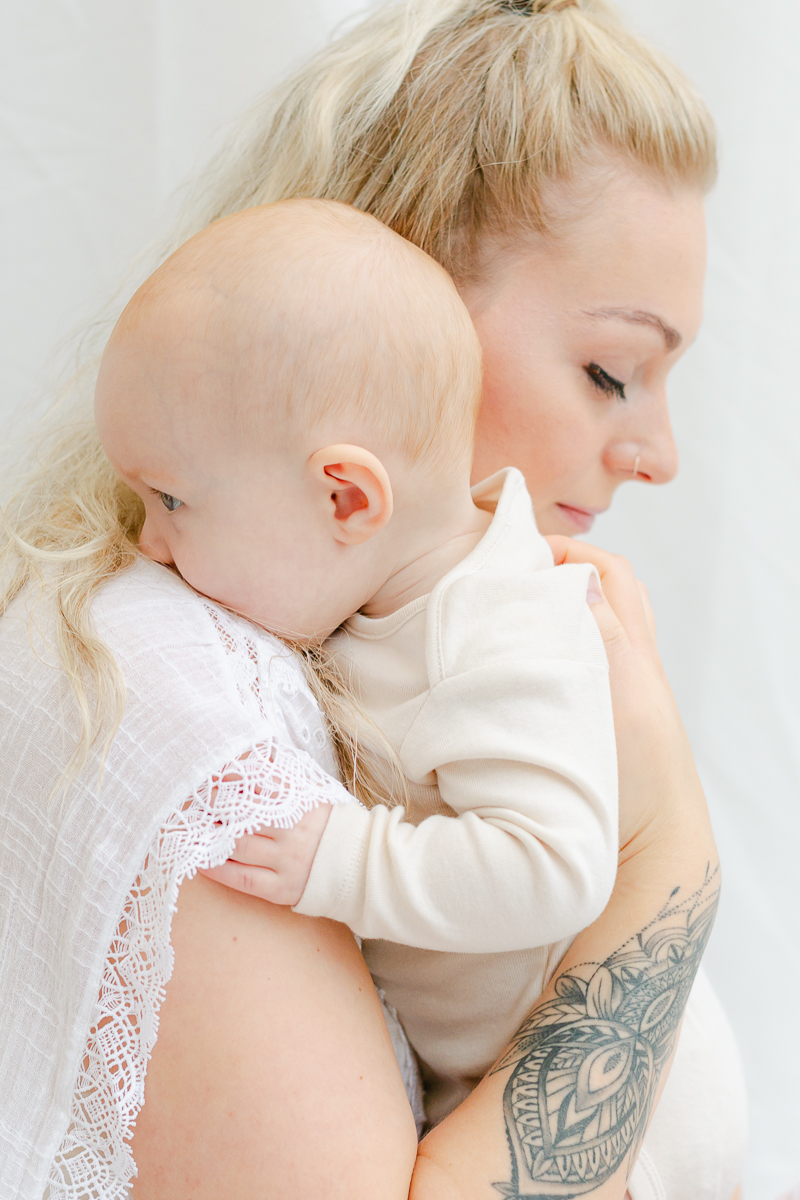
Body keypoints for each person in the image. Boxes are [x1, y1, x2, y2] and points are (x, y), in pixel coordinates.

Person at [0, 1, 747, 1198]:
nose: (655, 454)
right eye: (609, 371)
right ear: (397, 311)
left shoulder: (377, 615)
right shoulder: (183, 703)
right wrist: (666, 858)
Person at [96, 195, 620, 1127]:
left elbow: (556, 865)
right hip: (475, 1075)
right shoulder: (366, 591)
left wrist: (345, 862)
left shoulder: (500, 629)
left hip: (625, 1106)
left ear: (345, 499)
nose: (150, 543)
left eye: (171, 499)